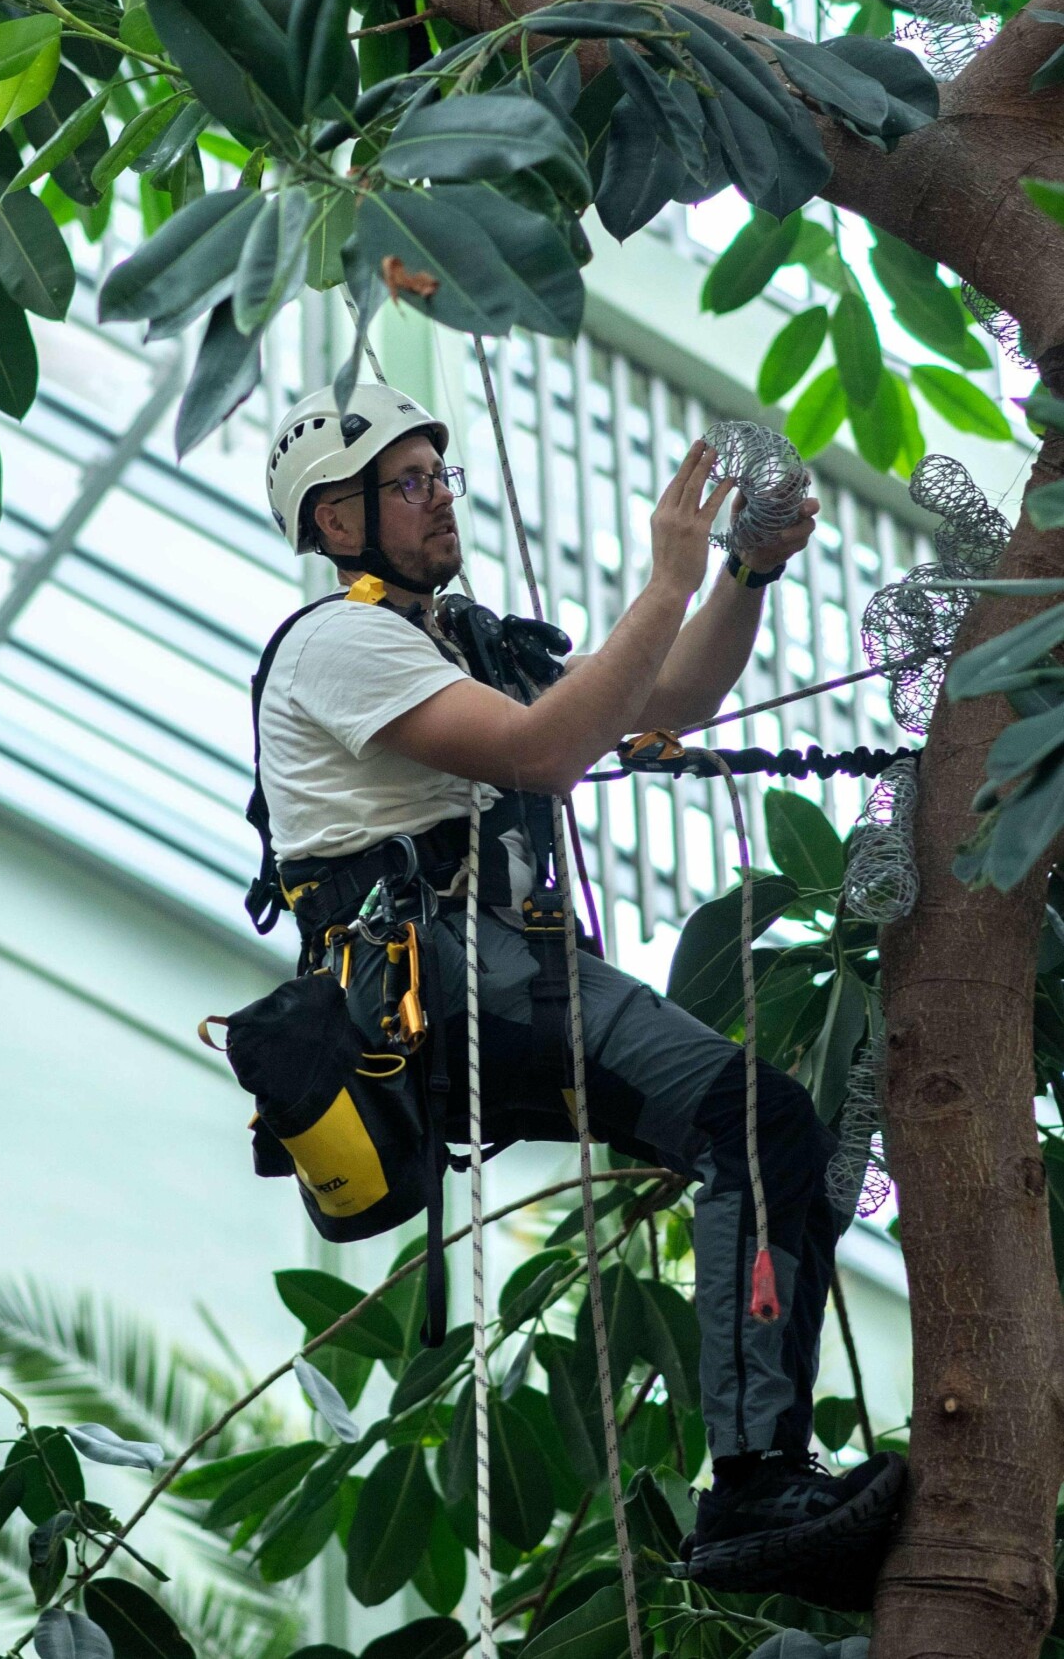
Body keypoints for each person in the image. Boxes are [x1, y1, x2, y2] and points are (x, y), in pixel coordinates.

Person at [255, 382, 906, 1605]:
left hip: (508, 970)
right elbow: (543, 754)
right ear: (336, 525)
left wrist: (740, 579)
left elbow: (667, 706)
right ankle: (754, 1483)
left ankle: (758, 1475)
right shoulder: (335, 645)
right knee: (756, 1124)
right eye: (406, 483)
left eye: (437, 475)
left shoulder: (460, 643)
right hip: (438, 984)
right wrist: (664, 577)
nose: (437, 496)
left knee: (758, 1135)